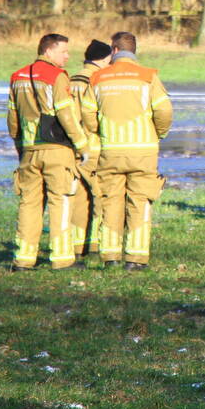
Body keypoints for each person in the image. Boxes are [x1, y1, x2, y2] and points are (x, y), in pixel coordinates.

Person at [80, 32, 173, 271]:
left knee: (110, 201)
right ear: (135, 51)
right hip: (143, 151)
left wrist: (99, 131)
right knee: (140, 202)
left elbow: (87, 114)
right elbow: (164, 111)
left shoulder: (99, 77)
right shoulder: (148, 76)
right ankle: (136, 259)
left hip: (110, 150)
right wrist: (158, 133)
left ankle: (110, 256)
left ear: (113, 50)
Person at [6, 33, 88, 271]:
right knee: (60, 201)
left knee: (29, 204)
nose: (67, 56)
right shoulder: (57, 76)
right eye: (64, 51)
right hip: (56, 150)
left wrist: (19, 145)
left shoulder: (17, 76)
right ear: (49, 51)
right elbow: (66, 114)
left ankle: (23, 259)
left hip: (30, 150)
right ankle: (63, 259)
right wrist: (81, 145)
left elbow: (12, 117)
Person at [68, 39, 112, 257]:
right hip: (92, 146)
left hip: (71, 147)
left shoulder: (71, 79)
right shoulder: (96, 80)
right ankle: (95, 244)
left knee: (79, 197)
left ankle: (77, 244)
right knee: (100, 195)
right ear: (104, 59)